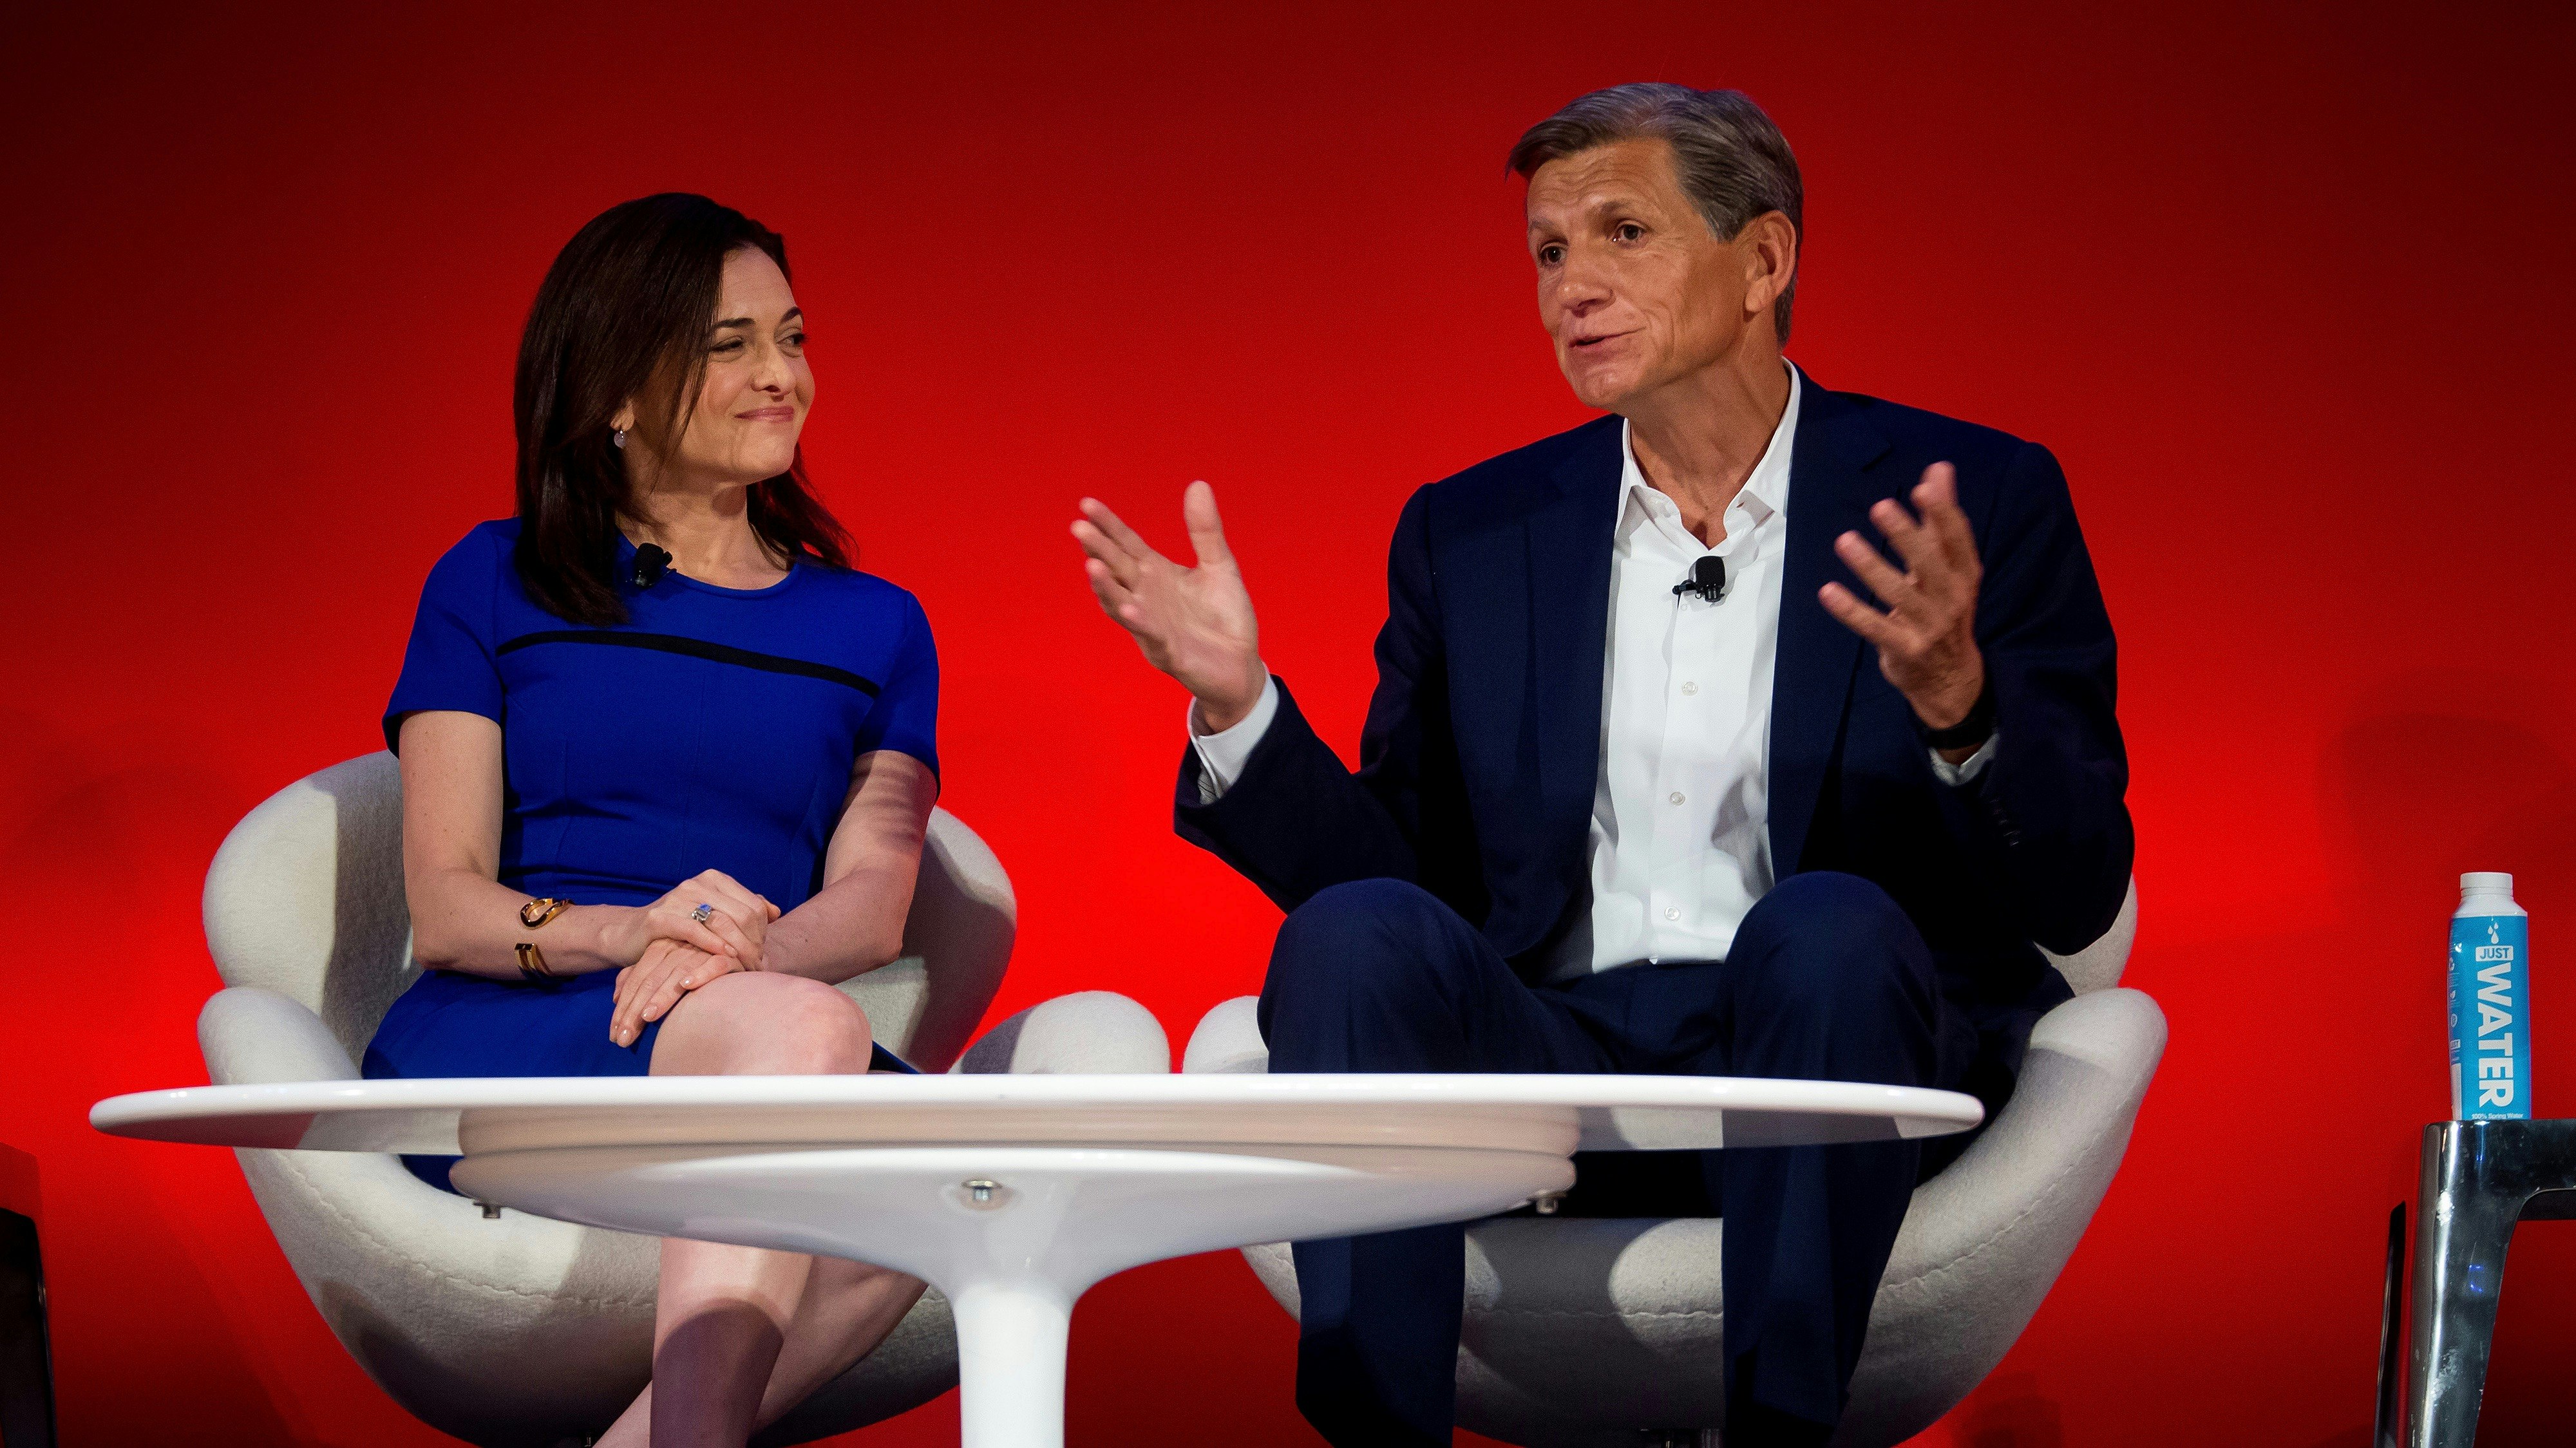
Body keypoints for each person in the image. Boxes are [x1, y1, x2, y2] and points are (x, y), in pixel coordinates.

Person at [1070, 84, 2129, 1447]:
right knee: (1352, 934)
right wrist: (1240, 710)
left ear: (1763, 262)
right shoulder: (1474, 528)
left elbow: (2075, 885)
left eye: (1620, 233)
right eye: (1548, 253)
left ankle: (1781, 1428)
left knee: (1822, 922)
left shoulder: (1970, 494)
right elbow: (1404, 890)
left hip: (1832, 1057)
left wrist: (1957, 703)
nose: (1570, 286)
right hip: (1557, 1061)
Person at [366, 193, 960, 1447]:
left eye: (790, 337)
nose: (781, 376)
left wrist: (729, 964)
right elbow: (446, 903)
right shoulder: (491, 578)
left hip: (758, 1020)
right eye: (729, 344)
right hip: (523, 1033)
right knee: (809, 1037)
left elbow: (873, 898)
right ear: (615, 393)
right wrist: (635, 937)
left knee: (951, 1185)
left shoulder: (876, 626)